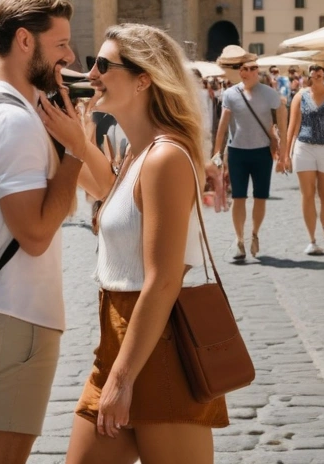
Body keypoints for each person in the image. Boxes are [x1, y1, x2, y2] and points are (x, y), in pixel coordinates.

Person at [0, 0, 104, 464]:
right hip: (12, 318)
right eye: (61, 45)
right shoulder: (13, 121)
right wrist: (73, 153)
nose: (71, 57)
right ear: (25, 40)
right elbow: (33, 235)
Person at [52, 24, 227, 464]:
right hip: (119, 337)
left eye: (103, 65)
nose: (90, 74)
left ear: (143, 77)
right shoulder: (136, 151)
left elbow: (165, 279)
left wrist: (123, 377)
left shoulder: (165, 156)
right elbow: (106, 192)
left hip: (158, 342)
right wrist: (79, 139)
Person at [212, 49, 285, 260]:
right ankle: (239, 240)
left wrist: (284, 153)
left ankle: (254, 234)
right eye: (243, 69)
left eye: (251, 69)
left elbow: (281, 121)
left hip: (262, 153)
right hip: (237, 153)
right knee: (239, 197)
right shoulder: (230, 94)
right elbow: (222, 126)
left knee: (260, 198)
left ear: (257, 71)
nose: (247, 73)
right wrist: (217, 153)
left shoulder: (270, 94)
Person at [282, 64, 324, 255]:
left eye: (320, 75)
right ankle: (312, 240)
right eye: (313, 75)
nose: (316, 78)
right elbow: (291, 126)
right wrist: (286, 154)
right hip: (305, 147)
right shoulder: (300, 96)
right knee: (308, 194)